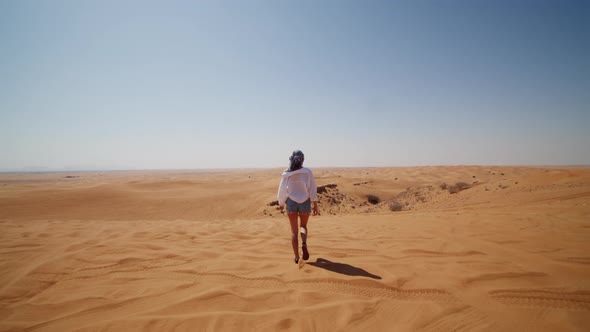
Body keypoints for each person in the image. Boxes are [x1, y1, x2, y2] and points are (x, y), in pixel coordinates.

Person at [277, 150, 320, 264]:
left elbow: (282, 189)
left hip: (291, 203)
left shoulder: (286, 173)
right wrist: (315, 205)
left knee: (293, 232)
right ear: (302, 160)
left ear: (291, 159)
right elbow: (312, 189)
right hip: (305, 201)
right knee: (304, 226)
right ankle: (304, 243)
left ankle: (296, 257)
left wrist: (281, 203)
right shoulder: (307, 172)